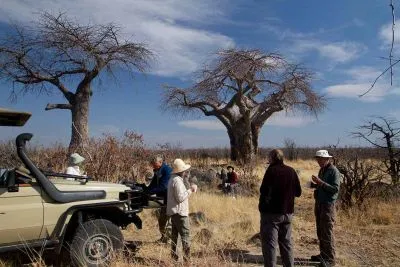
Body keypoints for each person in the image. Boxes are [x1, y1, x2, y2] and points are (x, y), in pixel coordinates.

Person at [259, 149, 302, 267]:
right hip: (288, 213)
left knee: (270, 244)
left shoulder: (271, 171)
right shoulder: (291, 171)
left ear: (272, 158)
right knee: (286, 243)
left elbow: (263, 190)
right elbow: (298, 192)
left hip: (271, 214)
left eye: (269, 157)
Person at [310, 150, 341, 267]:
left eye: (321, 159)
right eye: (318, 159)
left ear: (327, 159)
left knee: (327, 231)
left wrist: (320, 182)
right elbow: (322, 185)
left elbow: (335, 189)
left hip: (328, 205)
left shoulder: (333, 171)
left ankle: (330, 260)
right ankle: (323, 254)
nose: (319, 161)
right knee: (320, 230)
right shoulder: (322, 170)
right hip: (320, 203)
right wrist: (314, 184)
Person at [167, 158, 197, 263]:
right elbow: (180, 198)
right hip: (180, 213)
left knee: (175, 238)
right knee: (185, 236)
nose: (185, 172)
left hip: (174, 212)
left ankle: (174, 260)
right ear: (181, 171)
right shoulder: (177, 181)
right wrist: (191, 190)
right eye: (184, 170)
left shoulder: (172, 179)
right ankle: (187, 261)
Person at [147, 155, 172, 243]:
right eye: (153, 164)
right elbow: (153, 184)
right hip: (163, 200)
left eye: (155, 164)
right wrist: (145, 190)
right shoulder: (158, 170)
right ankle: (164, 238)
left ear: (160, 162)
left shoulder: (167, 170)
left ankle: (169, 241)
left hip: (170, 200)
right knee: (162, 220)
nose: (153, 166)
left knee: (169, 221)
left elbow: (163, 186)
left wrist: (149, 192)